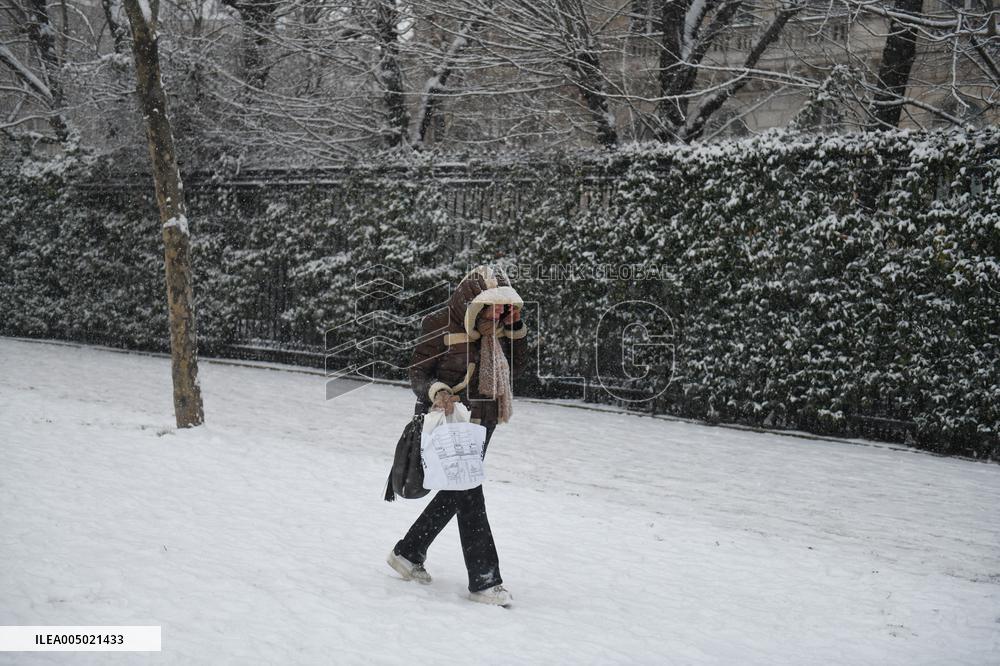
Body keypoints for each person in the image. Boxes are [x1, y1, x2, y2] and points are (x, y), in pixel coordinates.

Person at [387, 264, 528, 607]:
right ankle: (484, 580)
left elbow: (520, 368)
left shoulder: (498, 330)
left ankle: (408, 552)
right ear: (473, 300)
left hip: (484, 420)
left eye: (504, 304)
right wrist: (436, 391)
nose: (499, 310)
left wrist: (515, 328)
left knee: (458, 493)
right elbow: (417, 372)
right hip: (450, 421)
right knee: (468, 493)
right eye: (494, 304)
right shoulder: (438, 324)